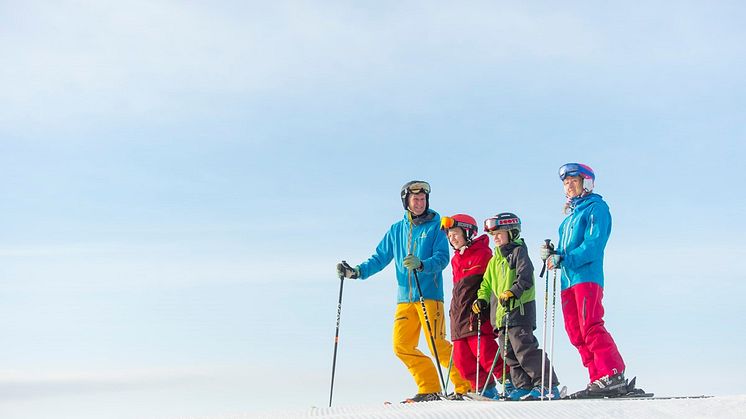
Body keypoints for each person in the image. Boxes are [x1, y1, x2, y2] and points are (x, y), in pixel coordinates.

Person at [336, 180, 470, 403]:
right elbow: (380, 258)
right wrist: (357, 272)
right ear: (406, 202)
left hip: (429, 294)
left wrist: (422, 265)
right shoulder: (397, 230)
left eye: (423, 199)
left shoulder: (436, 226)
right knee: (401, 346)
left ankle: (464, 386)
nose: (419, 203)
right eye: (415, 199)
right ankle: (429, 388)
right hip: (404, 297)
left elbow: (443, 258)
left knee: (437, 344)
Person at [542, 163, 629, 398]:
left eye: (574, 181)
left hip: (586, 277)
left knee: (590, 324)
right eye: (566, 183)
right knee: (575, 333)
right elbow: (564, 250)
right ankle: (597, 378)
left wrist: (565, 257)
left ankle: (612, 373)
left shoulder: (596, 208)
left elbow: (593, 244)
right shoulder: (568, 219)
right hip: (568, 282)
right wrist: (552, 254)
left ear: (586, 183)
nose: (569, 186)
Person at [473, 212, 560, 400]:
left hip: (519, 309)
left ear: (512, 233)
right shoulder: (495, 259)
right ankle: (522, 386)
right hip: (501, 315)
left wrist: (513, 292)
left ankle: (547, 384)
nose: (495, 238)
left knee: (524, 349)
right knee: (509, 355)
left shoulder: (518, 252)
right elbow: (486, 284)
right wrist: (482, 299)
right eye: (493, 235)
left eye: (499, 233)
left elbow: (525, 277)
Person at [440, 214, 510, 400]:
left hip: (477, 316)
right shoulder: (456, 260)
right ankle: (484, 388)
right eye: (449, 235)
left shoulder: (484, 254)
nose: (452, 238)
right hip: (459, 317)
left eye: (455, 233)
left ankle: (509, 381)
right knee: (462, 361)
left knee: (485, 353)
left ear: (468, 232)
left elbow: (492, 283)